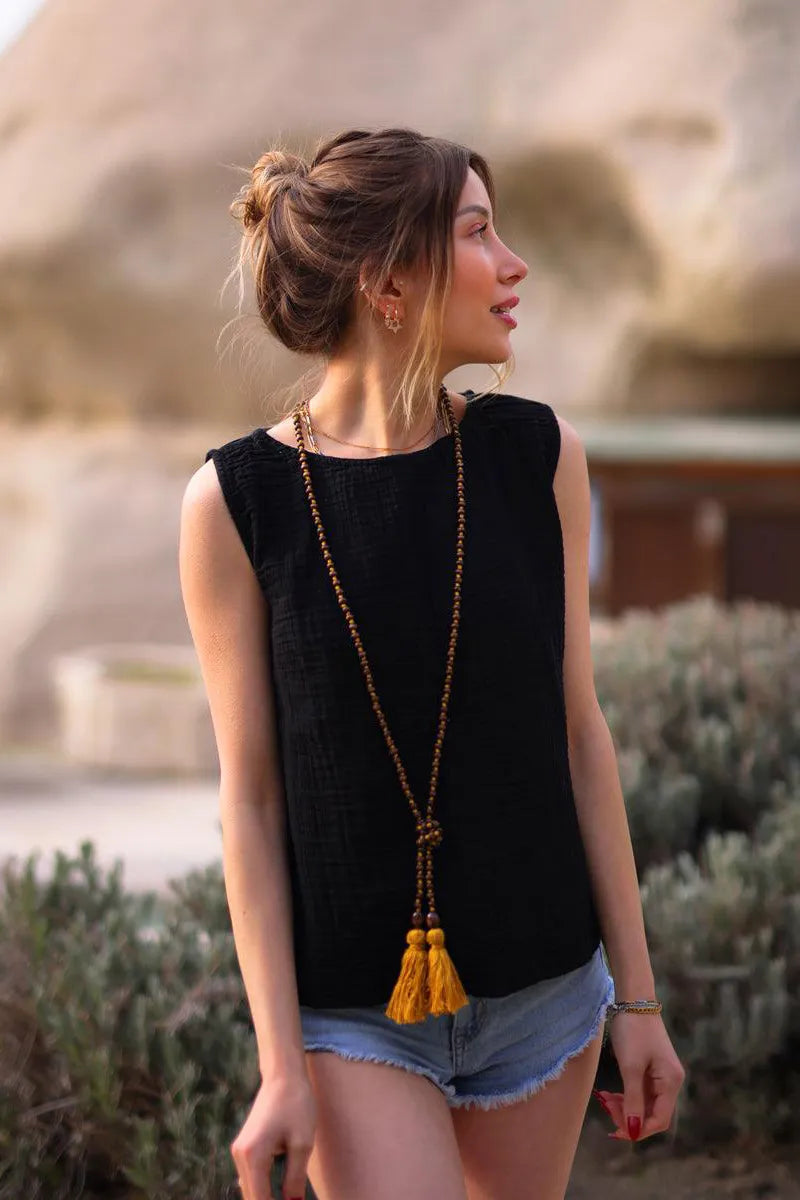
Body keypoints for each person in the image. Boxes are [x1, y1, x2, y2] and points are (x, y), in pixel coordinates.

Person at [179, 127, 685, 1200]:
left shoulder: (538, 456)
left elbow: (579, 737)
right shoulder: (235, 502)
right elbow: (252, 801)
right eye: (477, 232)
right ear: (389, 281)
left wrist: (636, 1003)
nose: (512, 264)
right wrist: (280, 1066)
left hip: (548, 997)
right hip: (350, 1018)